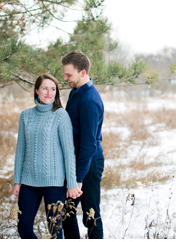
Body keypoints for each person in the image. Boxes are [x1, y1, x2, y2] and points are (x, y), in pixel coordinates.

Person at [12, 74, 80, 239]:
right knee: (24, 228)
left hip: (55, 182)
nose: (49, 93)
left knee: (55, 231)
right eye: (45, 88)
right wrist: (17, 181)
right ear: (36, 91)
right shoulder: (25, 115)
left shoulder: (61, 115)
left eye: (53, 89)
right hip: (29, 181)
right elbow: (20, 150)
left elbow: (68, 152)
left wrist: (71, 184)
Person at [60, 51, 105, 239]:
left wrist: (78, 179)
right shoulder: (76, 92)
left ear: (83, 73)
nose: (65, 78)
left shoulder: (90, 101)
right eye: (65, 74)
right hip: (76, 161)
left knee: (91, 216)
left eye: (69, 75)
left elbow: (88, 144)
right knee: (65, 213)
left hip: (89, 164)